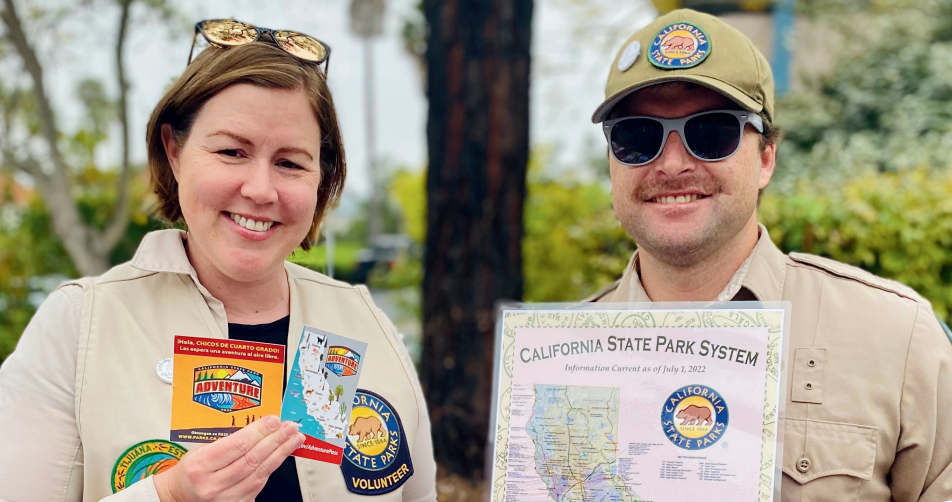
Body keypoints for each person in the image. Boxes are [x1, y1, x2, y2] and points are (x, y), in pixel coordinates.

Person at [0, 19, 436, 502]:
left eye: (290, 163)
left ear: (322, 177)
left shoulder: (363, 324)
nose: (259, 189)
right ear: (174, 151)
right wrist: (168, 495)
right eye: (232, 151)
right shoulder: (81, 325)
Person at [587, 9, 952, 501]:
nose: (671, 163)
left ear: (765, 159)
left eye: (712, 132)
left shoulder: (899, 339)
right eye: (636, 137)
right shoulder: (558, 360)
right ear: (612, 161)